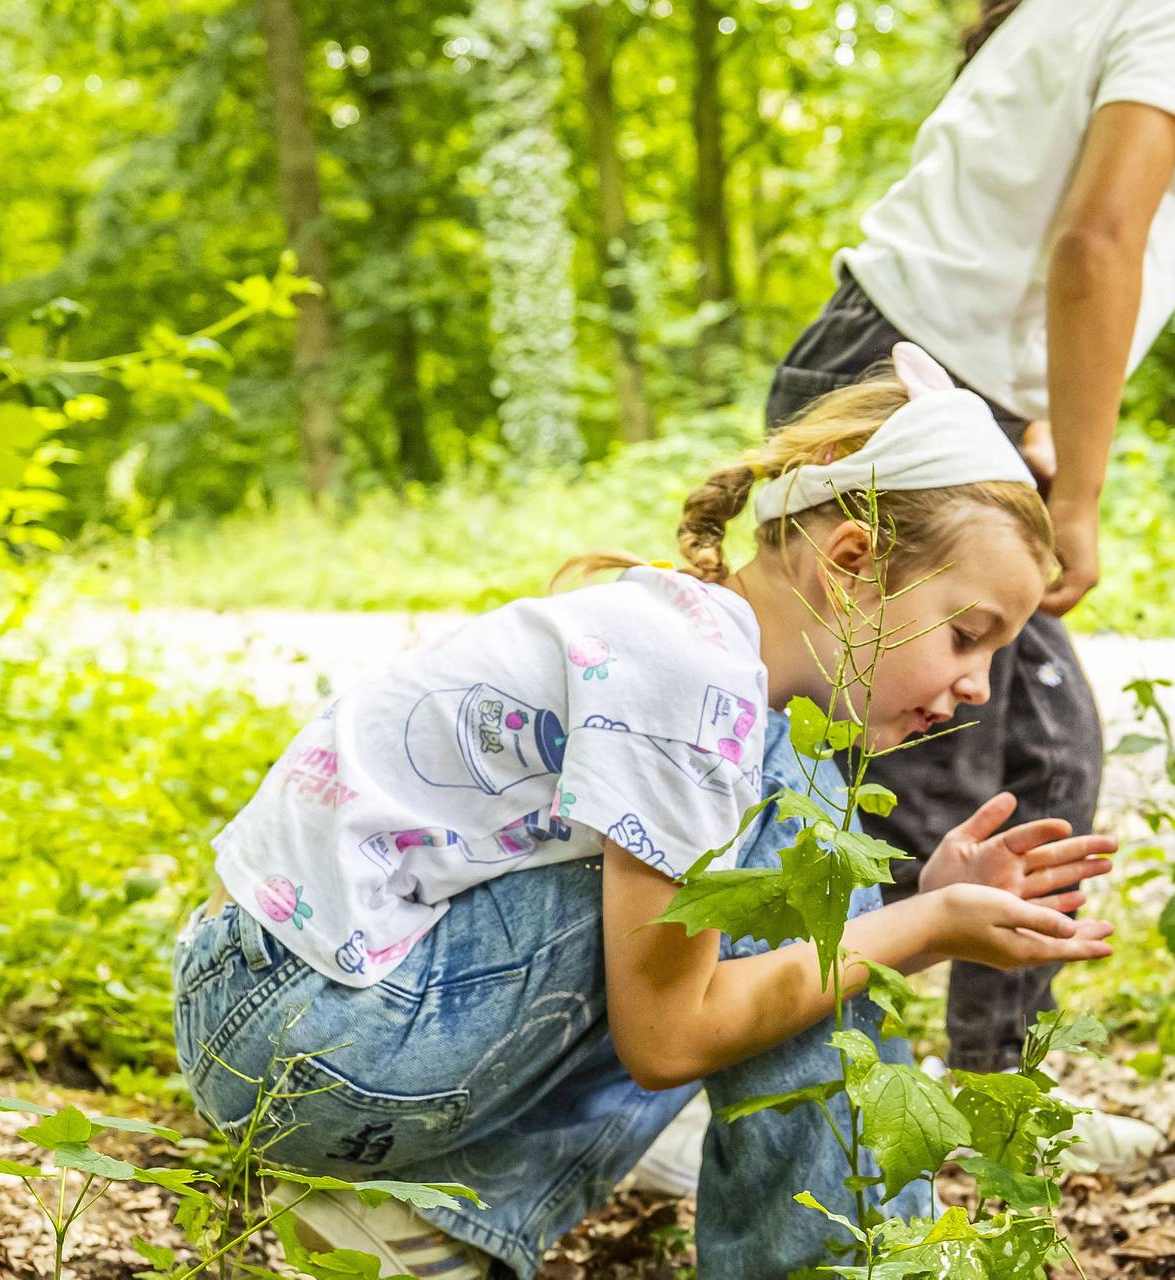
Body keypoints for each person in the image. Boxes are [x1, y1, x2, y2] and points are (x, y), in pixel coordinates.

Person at [171, 349, 1119, 1280]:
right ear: (852, 562)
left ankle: (427, 1213)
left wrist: (922, 906)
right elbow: (665, 1039)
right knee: (775, 875)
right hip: (315, 1030)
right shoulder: (695, 690)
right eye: (968, 634)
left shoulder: (697, 646)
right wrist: (921, 927)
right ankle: (854, 1264)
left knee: (759, 875)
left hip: (293, 1019)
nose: (977, 688)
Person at [764, 0, 1175, 1071]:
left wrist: (1029, 408)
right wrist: (1076, 488)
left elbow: (1018, 243)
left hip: (916, 370)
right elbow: (1095, 242)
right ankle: (809, 1097)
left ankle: (989, 1094)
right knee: (923, 783)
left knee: (1037, 757)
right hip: (908, 382)